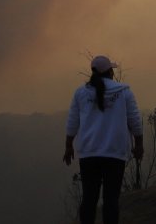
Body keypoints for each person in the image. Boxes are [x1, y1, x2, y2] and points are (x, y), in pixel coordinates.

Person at [64, 55, 144, 224]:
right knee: (111, 200)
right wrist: (139, 145)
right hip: (114, 154)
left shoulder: (81, 93)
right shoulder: (124, 92)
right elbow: (135, 120)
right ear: (110, 72)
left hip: (89, 153)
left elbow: (72, 121)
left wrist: (69, 146)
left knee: (89, 200)